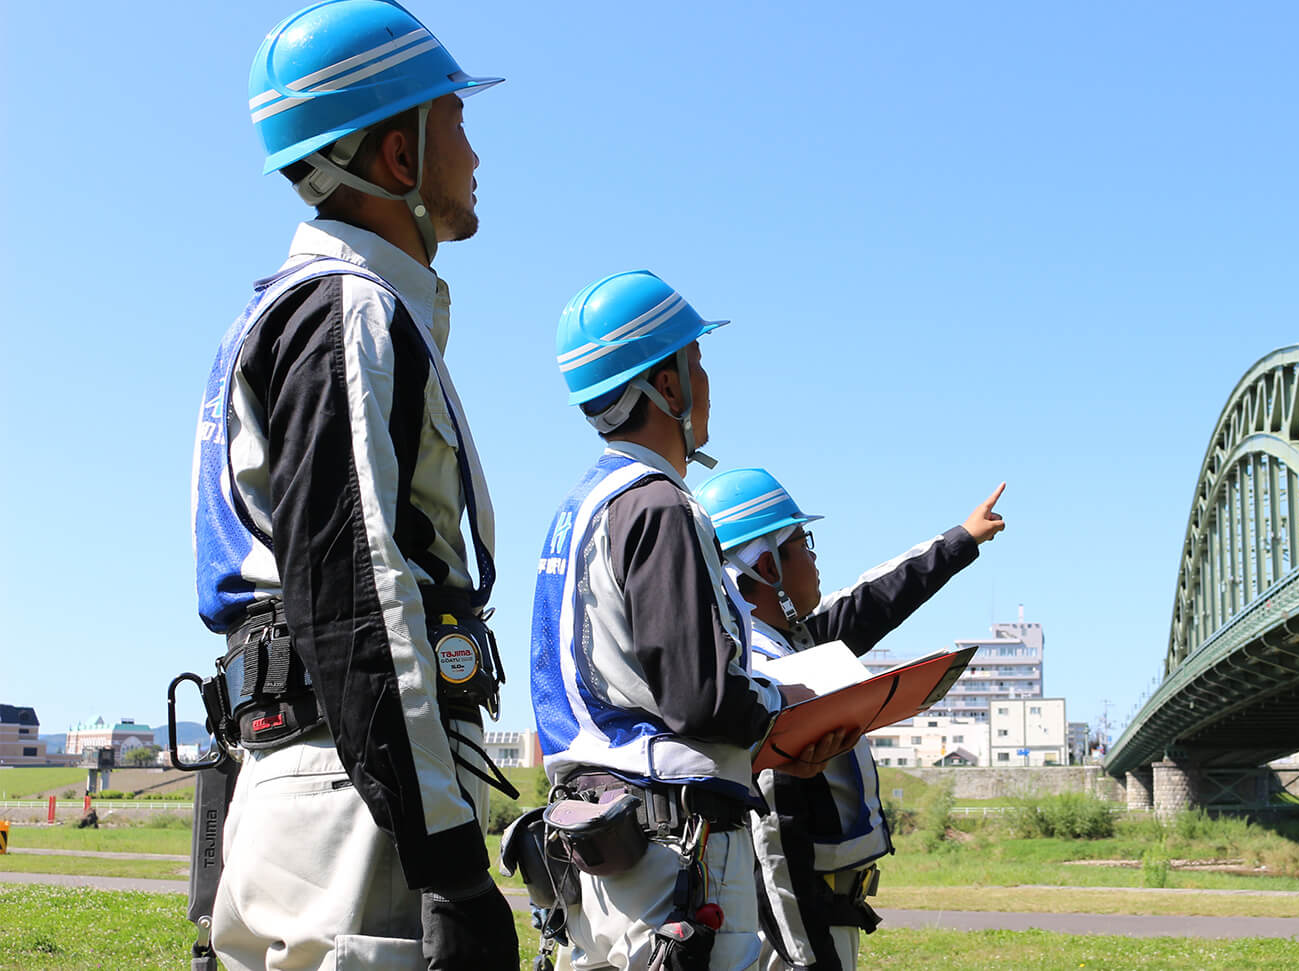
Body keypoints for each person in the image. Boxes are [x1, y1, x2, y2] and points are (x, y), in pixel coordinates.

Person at [188, 3, 514, 968]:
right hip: (354, 792)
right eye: (455, 118)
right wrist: (450, 862)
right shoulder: (347, 313)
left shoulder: (300, 311)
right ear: (399, 156)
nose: (476, 150)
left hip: (321, 767)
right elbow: (360, 592)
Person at [530, 271, 848, 971]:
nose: (706, 382)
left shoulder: (581, 507)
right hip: (673, 853)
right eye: (696, 362)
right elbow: (698, 696)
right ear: (666, 386)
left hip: (598, 844)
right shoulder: (660, 506)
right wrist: (784, 705)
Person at [692, 469, 1006, 971]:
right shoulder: (767, 679)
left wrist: (960, 541)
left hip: (815, 915)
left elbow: (875, 599)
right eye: (803, 541)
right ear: (768, 564)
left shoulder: (792, 641)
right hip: (796, 926)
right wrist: (807, 957)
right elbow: (772, 842)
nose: (814, 556)